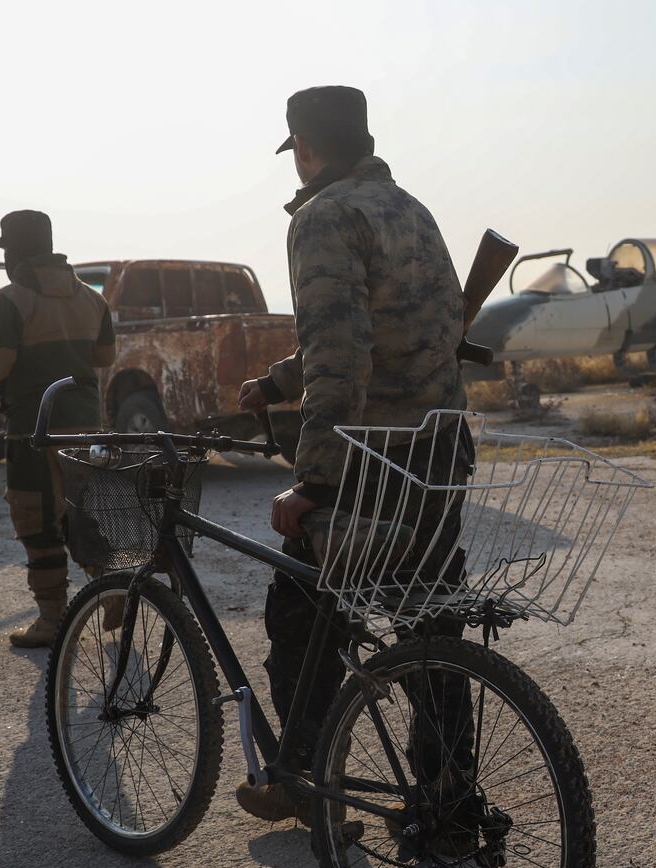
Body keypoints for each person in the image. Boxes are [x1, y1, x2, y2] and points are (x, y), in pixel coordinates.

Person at [235, 85, 471, 822]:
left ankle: (303, 779)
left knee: (302, 612)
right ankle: (450, 797)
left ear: (304, 149)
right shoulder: (411, 209)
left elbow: (341, 357)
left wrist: (310, 483)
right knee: (431, 630)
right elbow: (388, 324)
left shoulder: (322, 218)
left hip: (373, 459)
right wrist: (276, 379)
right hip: (438, 453)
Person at [0, 211, 116, 648]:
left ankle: (52, 619)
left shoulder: (10, 299)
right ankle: (112, 589)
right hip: (86, 425)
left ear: (15, 252)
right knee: (80, 511)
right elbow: (105, 356)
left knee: (36, 520)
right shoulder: (91, 297)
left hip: (33, 428)